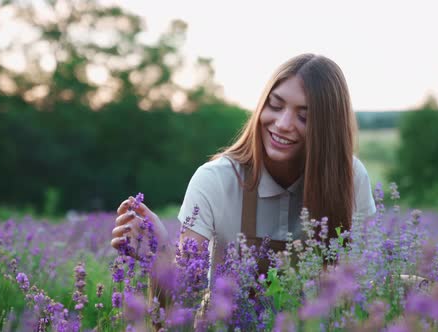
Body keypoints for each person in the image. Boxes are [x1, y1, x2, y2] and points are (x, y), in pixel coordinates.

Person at [111, 53, 376, 277]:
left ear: (328, 129)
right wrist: (160, 253)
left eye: (304, 117)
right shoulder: (215, 180)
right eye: (275, 105)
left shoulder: (350, 177)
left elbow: (361, 285)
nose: (283, 123)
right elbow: (180, 294)